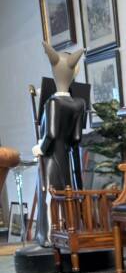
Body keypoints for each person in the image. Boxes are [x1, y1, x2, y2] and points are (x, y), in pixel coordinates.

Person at [33, 42, 86, 246]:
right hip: (66, 158)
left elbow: (51, 133)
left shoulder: (53, 103)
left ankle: (49, 236)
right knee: (66, 194)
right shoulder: (79, 103)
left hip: (51, 157)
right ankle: (67, 232)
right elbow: (76, 138)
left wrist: (40, 148)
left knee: (50, 196)